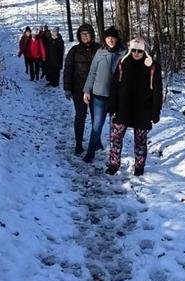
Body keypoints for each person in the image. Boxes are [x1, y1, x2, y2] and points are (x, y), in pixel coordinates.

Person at [106, 37, 162, 176]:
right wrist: (112, 105)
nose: (136, 53)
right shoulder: (123, 63)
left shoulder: (153, 66)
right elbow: (114, 86)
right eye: (134, 50)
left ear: (145, 52)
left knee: (140, 141)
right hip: (123, 108)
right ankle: (113, 164)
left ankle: (139, 167)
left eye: (140, 51)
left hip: (143, 110)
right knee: (115, 138)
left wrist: (155, 111)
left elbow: (157, 91)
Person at [82, 27, 123, 163]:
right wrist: (87, 90)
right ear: (105, 39)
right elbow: (92, 73)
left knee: (115, 128)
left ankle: (114, 157)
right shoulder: (100, 53)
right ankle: (90, 152)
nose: (110, 40)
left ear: (117, 39)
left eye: (113, 37)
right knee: (97, 124)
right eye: (108, 37)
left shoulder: (123, 54)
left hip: (116, 97)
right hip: (99, 95)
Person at [63, 23, 100, 154]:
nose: (84, 36)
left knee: (97, 118)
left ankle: (95, 142)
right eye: (82, 34)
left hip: (97, 88)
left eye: (87, 33)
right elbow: (68, 69)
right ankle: (78, 143)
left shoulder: (99, 49)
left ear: (92, 34)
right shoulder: (74, 50)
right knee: (80, 116)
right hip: (78, 88)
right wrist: (67, 88)